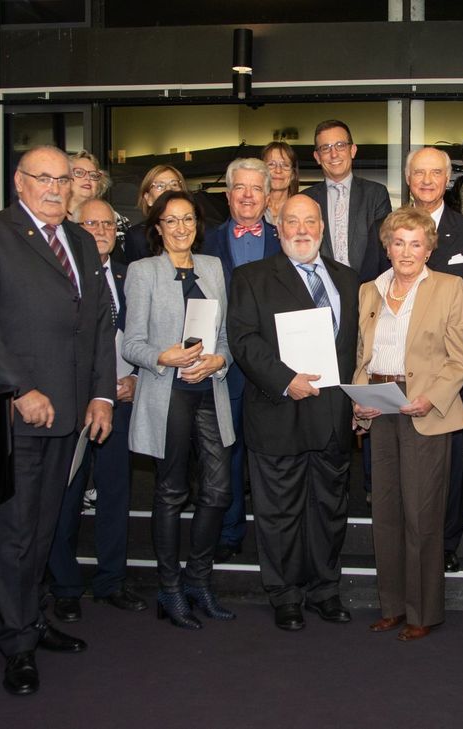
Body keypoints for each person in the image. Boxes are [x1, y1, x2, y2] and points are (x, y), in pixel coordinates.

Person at [0, 145, 116, 696]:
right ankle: (17, 643)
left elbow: (96, 326)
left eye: (62, 179)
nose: (53, 187)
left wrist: (101, 397)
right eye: (42, 178)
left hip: (69, 415)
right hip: (14, 413)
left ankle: (33, 619)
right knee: (16, 531)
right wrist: (19, 389)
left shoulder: (81, 243)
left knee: (44, 528)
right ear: (18, 182)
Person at [227, 193, 359, 632]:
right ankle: (284, 595)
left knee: (329, 509)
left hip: (334, 417)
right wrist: (286, 379)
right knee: (278, 513)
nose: (301, 229)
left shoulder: (349, 279)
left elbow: (357, 346)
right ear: (277, 227)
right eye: (292, 221)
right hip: (278, 412)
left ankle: (325, 590)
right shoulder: (250, 277)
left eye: (310, 221)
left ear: (322, 228)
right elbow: (244, 341)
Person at [361, 146, 463, 572]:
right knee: (391, 493)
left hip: (446, 381)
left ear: (448, 178)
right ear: (408, 178)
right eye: (419, 173)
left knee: (443, 482)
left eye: (437, 172)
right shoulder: (389, 231)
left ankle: (444, 549)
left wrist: (443, 387)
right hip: (386, 393)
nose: (428, 180)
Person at [352, 207, 463, 641]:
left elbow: (460, 359)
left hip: (425, 408)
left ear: (429, 248)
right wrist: (359, 402)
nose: (406, 251)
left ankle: (423, 612)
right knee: (384, 513)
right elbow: (361, 355)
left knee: (421, 516)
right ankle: (392, 606)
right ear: (386, 247)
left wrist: (431, 398)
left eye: (416, 243)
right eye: (398, 242)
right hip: (380, 408)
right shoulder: (369, 290)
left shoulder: (450, 288)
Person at [123, 190, 237, 630]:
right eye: (171, 221)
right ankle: (169, 590)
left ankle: (198, 582)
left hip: (209, 391)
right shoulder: (143, 271)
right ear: (157, 227)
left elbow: (224, 338)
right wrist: (163, 357)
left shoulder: (212, 268)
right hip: (166, 392)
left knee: (218, 490)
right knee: (171, 493)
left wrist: (218, 360)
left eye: (188, 219)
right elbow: (132, 343)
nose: (181, 228)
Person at [47, 198, 147, 622]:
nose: (102, 230)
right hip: (73, 404)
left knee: (115, 494)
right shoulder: (61, 276)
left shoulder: (131, 277)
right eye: (91, 223)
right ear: (75, 227)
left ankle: (111, 580)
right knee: (65, 496)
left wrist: (137, 382)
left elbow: (149, 335)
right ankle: (65, 585)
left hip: (122, 402)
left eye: (108, 224)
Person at [202, 158, 283, 564]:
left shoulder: (286, 236)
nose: (248, 195)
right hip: (225, 366)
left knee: (270, 453)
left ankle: (275, 532)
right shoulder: (206, 242)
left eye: (256, 188)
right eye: (240, 188)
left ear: (269, 196)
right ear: (228, 194)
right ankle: (231, 530)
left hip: (274, 364)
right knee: (227, 452)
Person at [303, 119, 392, 272]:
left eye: (340, 145)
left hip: (365, 289)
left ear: (353, 150)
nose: (334, 154)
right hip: (320, 288)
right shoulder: (305, 200)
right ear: (317, 157)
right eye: (325, 148)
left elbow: (384, 249)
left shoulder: (376, 194)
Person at [67, 151, 129, 259]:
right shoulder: (54, 221)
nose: (88, 178)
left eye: (93, 175)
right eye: (79, 173)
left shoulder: (118, 221)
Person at [122, 164, 187, 263]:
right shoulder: (137, 237)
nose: (169, 190)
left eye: (174, 184)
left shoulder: (197, 230)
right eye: (160, 186)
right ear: (148, 198)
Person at [263, 141, 299, 225]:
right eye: (271, 164)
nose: (278, 170)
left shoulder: (302, 208)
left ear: (293, 174)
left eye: (285, 165)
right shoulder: (252, 207)